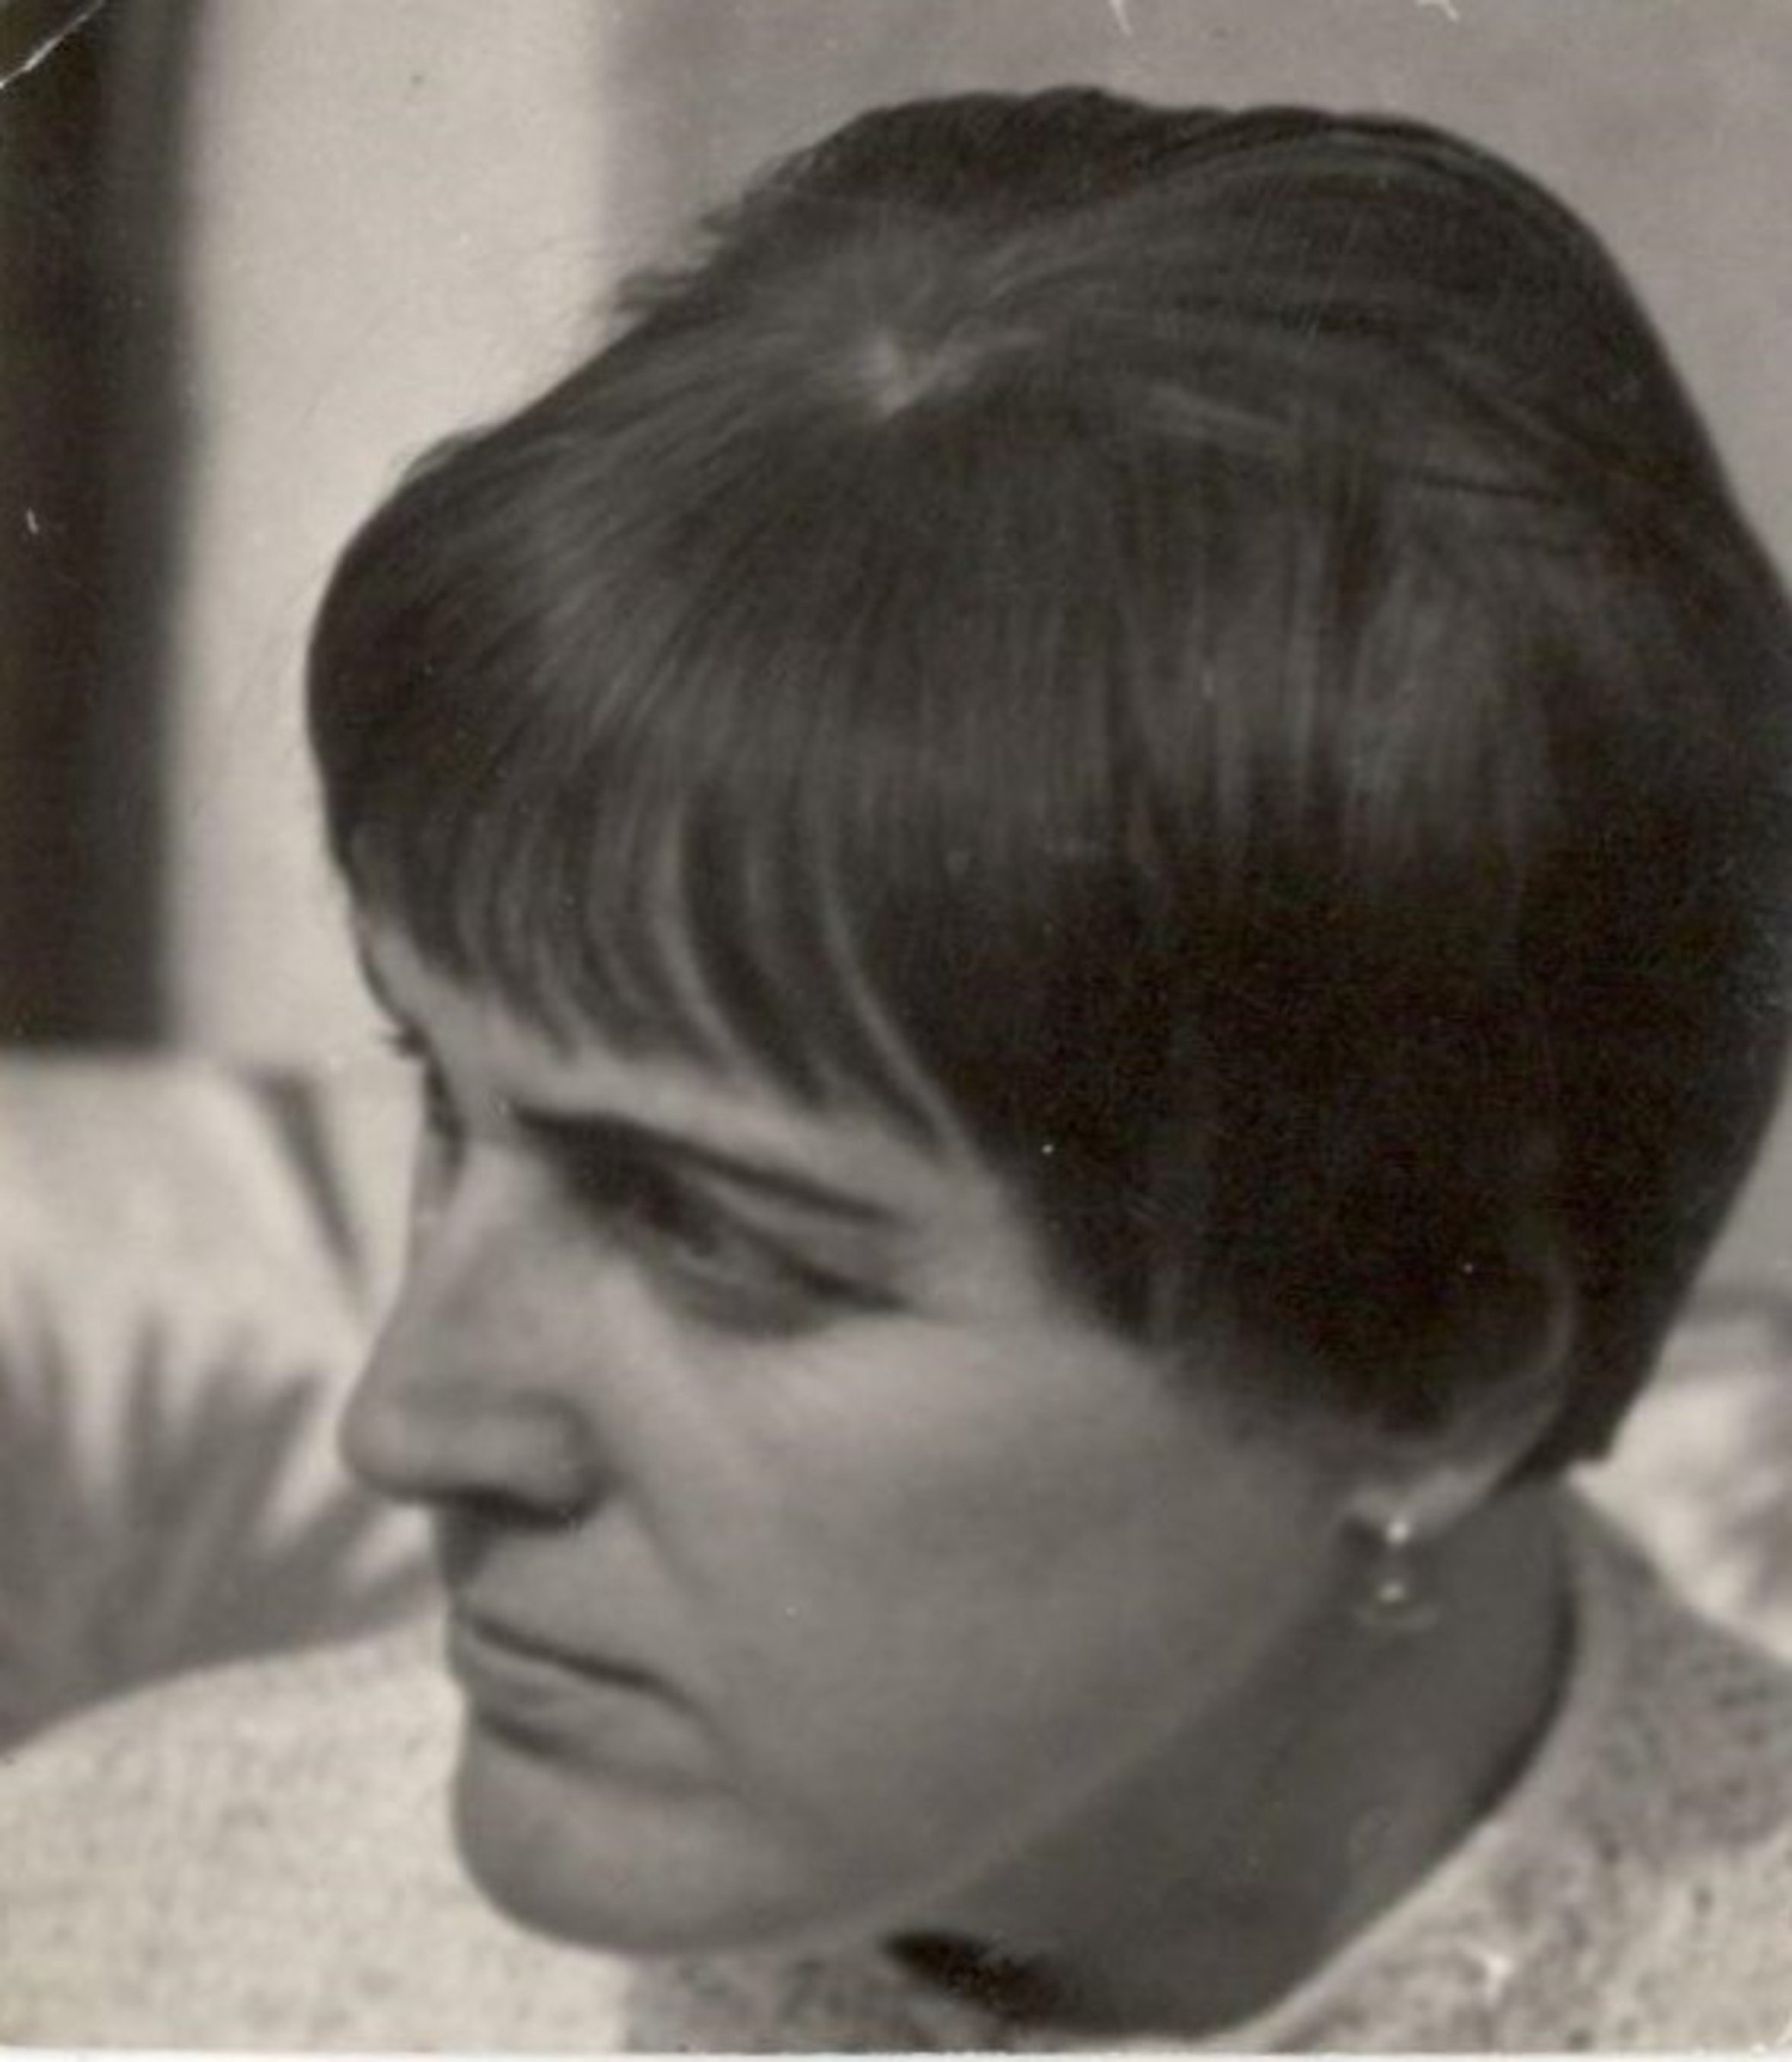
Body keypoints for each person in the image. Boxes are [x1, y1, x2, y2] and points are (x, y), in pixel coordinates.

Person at [5, 87, 1792, 2051]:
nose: (406, 1423)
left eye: (717, 1237)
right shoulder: (106, 1930)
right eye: (443, 1101)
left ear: (1427, 1375)